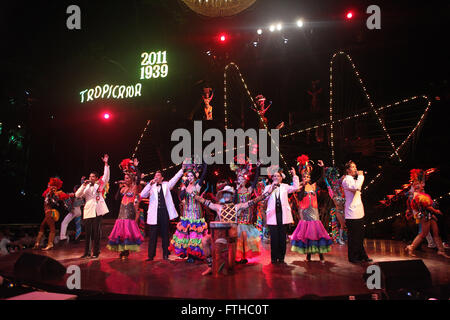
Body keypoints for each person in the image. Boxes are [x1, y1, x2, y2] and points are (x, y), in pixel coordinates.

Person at [194, 184, 276, 275]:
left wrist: (268, 193)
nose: (226, 196)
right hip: (220, 234)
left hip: (231, 236)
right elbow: (205, 202)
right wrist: (194, 195)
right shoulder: (218, 207)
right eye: (224, 194)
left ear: (232, 196)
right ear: (222, 196)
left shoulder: (238, 207)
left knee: (228, 264)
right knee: (205, 240)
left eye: (228, 194)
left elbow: (253, 201)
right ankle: (210, 266)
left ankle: (227, 263)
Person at [140, 162, 186, 261]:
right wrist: (149, 184)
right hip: (154, 214)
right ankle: (150, 256)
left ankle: (166, 254)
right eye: (155, 176)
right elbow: (142, 195)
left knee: (165, 234)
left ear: (162, 178)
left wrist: (182, 170)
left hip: (164, 213)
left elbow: (175, 178)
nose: (156, 177)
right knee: (153, 235)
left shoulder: (166, 185)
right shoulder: (151, 186)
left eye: (158, 176)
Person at [290, 157, 332, 262]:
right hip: (305, 213)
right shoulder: (300, 187)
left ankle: (321, 255)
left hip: (314, 213)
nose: (306, 178)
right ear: (302, 178)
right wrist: (303, 186)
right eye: (305, 177)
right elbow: (299, 198)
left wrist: (322, 168)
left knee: (316, 234)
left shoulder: (314, 186)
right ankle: (308, 256)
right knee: (307, 236)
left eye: (308, 176)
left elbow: (322, 178)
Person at [405, 169, 449, 258]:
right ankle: (411, 247)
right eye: (420, 184)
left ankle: (441, 250)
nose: (422, 185)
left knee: (436, 232)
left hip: (429, 215)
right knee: (423, 234)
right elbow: (426, 206)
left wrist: (432, 214)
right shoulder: (418, 195)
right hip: (424, 215)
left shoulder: (422, 193)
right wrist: (435, 211)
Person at [169, 163, 208, 262]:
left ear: (195, 177)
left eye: (191, 176)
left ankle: (194, 254)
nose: (189, 177)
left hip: (196, 213)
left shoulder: (197, 185)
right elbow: (181, 197)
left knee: (195, 234)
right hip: (186, 213)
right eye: (188, 176)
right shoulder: (184, 186)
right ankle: (187, 253)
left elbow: (203, 174)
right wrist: (184, 187)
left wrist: (205, 164)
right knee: (186, 234)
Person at [75, 154, 110, 259]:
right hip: (88, 210)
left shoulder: (99, 185)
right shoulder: (85, 187)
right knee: (88, 233)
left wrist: (106, 163)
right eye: (90, 177)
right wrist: (83, 185)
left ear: (96, 178)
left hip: (97, 210)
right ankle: (86, 252)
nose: (91, 178)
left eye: (93, 177)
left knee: (96, 233)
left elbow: (106, 176)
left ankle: (96, 252)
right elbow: (77, 195)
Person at [264, 166, 300, 264]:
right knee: (274, 238)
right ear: (272, 178)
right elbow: (264, 198)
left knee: (282, 237)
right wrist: (272, 187)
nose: (276, 177)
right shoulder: (268, 187)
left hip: (283, 214)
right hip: (272, 215)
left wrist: (294, 175)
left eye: (278, 176)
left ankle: (281, 257)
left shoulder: (285, 186)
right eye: (274, 176)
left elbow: (296, 187)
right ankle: (274, 258)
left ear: (281, 178)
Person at [107, 170, 144, 259]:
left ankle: (126, 251)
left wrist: (134, 168)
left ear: (131, 179)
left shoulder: (134, 187)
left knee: (127, 233)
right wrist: (121, 186)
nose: (125, 180)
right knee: (121, 233)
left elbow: (137, 180)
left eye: (127, 178)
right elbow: (116, 198)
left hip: (130, 212)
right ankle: (122, 250)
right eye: (124, 178)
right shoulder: (123, 188)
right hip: (122, 212)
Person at [231, 161, 261, 264]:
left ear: (245, 179)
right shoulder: (236, 191)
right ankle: (239, 256)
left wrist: (257, 168)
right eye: (239, 179)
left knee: (245, 237)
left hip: (248, 215)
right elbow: (234, 201)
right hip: (239, 216)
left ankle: (244, 256)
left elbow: (256, 179)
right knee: (239, 236)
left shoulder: (249, 189)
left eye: (243, 178)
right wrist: (235, 190)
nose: (241, 180)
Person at [342, 161, 372, 263]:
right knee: (354, 237)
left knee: (360, 236)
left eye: (355, 167)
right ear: (348, 170)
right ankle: (353, 257)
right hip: (351, 214)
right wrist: (361, 177)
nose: (355, 169)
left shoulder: (353, 180)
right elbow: (356, 187)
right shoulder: (346, 180)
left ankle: (362, 255)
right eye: (353, 167)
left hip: (358, 212)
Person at [34, 177, 72, 250]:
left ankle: (50, 244)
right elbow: (47, 194)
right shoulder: (48, 192)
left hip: (49, 212)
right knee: (42, 226)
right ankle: (37, 243)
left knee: (52, 228)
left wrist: (70, 195)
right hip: (47, 212)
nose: (53, 188)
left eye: (55, 187)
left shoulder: (56, 193)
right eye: (52, 186)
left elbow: (63, 195)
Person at [324, 167, 347, 245]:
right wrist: (323, 169)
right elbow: (326, 180)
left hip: (344, 210)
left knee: (344, 225)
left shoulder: (341, 192)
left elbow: (343, 177)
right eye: (334, 185)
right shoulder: (332, 193)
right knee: (342, 225)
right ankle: (339, 238)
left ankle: (342, 238)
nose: (335, 186)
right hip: (338, 211)